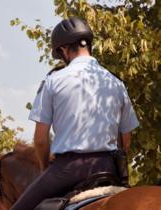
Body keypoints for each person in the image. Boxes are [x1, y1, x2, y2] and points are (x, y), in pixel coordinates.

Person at [10, 17, 139, 210]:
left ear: (63, 50)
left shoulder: (53, 81)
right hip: (108, 168)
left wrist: (46, 169)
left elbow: (40, 141)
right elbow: (125, 141)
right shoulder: (116, 83)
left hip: (67, 169)